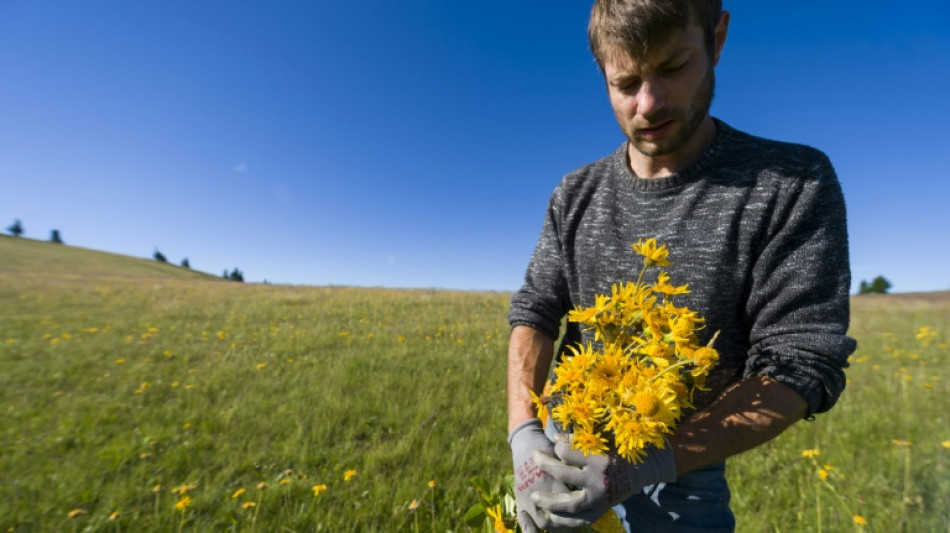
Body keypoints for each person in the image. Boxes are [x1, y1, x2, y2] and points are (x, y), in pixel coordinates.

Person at [505, 0, 857, 531]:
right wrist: (524, 434)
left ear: (717, 38)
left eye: (673, 67)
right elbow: (534, 312)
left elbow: (800, 364)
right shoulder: (575, 193)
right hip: (560, 445)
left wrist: (650, 463)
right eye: (626, 83)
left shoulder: (792, 182)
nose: (648, 104)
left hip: (682, 474)